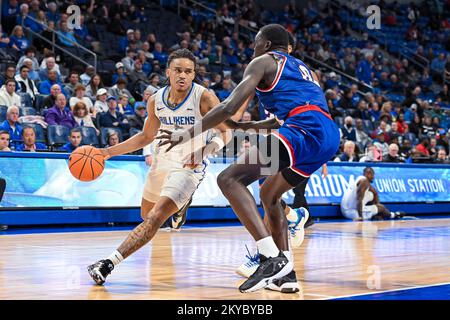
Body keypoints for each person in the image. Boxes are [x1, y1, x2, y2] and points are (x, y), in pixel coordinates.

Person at [158, 25, 340, 293]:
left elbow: (228, 106)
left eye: (255, 43)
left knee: (229, 178)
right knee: (269, 194)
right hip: (327, 134)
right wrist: (248, 126)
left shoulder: (263, 61)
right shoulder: (302, 68)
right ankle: (286, 276)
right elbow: (274, 116)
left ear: (265, 45)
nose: (252, 49)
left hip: (303, 129)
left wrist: (187, 133)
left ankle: (270, 256)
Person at [87, 49, 232, 286]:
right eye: (178, 70)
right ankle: (180, 206)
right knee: (146, 216)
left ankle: (108, 264)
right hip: (162, 161)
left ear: (194, 74)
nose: (183, 75)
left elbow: (227, 132)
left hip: (189, 166)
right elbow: (145, 137)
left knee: (154, 218)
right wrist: (107, 152)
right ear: (168, 72)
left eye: (188, 71)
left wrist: (204, 151)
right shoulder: (156, 99)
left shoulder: (204, 97)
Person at [341, 167, 405, 221]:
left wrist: (377, 206)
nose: (373, 177)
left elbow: (375, 192)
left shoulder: (361, 180)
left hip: (345, 209)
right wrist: (360, 217)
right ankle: (393, 215)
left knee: (371, 195)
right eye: (373, 175)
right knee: (381, 208)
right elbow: (359, 200)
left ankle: (375, 214)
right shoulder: (364, 182)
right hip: (351, 212)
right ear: (368, 174)